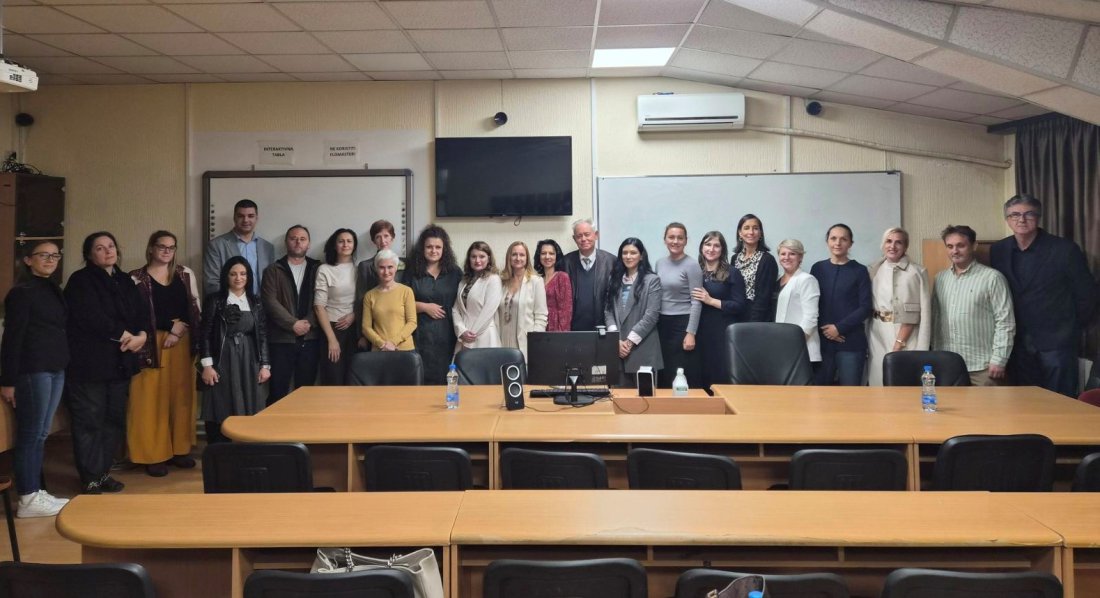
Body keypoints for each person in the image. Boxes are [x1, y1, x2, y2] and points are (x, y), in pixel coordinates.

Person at [65, 231, 150, 494]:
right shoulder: (80, 280)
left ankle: (102, 474)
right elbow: (90, 317)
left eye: (111, 246)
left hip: (120, 363)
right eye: (100, 248)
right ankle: (90, 478)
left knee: (113, 420)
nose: (108, 251)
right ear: (89, 255)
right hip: (89, 365)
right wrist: (125, 335)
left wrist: (142, 336)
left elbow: (141, 313)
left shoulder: (124, 280)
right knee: (89, 421)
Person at [991, 194, 1098, 397]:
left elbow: (1087, 294)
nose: (1021, 219)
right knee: (1025, 400)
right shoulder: (998, 250)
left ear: (1039, 217)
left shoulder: (1065, 249)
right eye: (1015, 215)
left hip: (1057, 342)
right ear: (1007, 219)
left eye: (1028, 214)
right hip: (1017, 342)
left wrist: (1071, 327)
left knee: (1060, 401)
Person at [0, 242, 70, 515]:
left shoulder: (52, 288)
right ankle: (27, 497)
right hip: (32, 369)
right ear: (28, 260)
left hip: (55, 367)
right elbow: (12, 337)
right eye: (43, 255)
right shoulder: (21, 292)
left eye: (55, 255)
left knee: (41, 433)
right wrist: (8, 380)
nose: (50, 260)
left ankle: (36, 492)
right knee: (31, 433)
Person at [128, 231, 202, 477]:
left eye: (171, 247)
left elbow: (194, 308)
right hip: (150, 342)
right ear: (151, 248)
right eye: (162, 246)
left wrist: (179, 331)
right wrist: (169, 327)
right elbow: (135, 313)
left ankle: (179, 450)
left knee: (180, 397)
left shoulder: (185, 274)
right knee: (149, 399)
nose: (167, 251)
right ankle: (152, 454)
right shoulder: (135, 278)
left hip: (181, 340)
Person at [933, 225, 1015, 386]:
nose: (955, 251)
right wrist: (936, 356)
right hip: (948, 366)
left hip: (983, 367)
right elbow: (936, 320)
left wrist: (1000, 359)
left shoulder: (992, 278)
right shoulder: (940, 279)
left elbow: (1005, 321)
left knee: (987, 404)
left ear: (974, 246)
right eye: (950, 246)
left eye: (960, 245)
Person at [199, 257, 270, 444]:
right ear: (226, 276)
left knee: (251, 403)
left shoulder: (255, 302)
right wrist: (207, 365)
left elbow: (262, 334)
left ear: (248, 276)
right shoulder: (215, 300)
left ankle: (247, 449)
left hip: (249, 359)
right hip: (222, 358)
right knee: (220, 402)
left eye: (243, 274)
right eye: (233, 274)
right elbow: (204, 334)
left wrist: (265, 365)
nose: (238, 278)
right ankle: (219, 450)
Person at [261, 225, 321, 404]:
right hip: (281, 340)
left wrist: (308, 322)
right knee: (277, 391)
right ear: (286, 242)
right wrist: (292, 324)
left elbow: (323, 301)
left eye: (302, 239)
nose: (298, 242)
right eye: (293, 238)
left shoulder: (318, 268)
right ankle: (274, 423)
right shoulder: (273, 270)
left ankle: (303, 423)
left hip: (310, 339)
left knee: (306, 393)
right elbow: (269, 301)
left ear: (309, 244)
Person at [866, 227, 931, 386]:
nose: (892, 246)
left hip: (904, 334)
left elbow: (921, 311)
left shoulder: (916, 272)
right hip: (876, 332)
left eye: (898, 242)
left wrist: (900, 343)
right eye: (889, 241)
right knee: (877, 380)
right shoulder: (873, 269)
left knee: (901, 380)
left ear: (905, 246)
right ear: (883, 244)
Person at [811, 224, 872, 386]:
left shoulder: (859, 270)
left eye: (843, 239)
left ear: (850, 243)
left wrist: (839, 328)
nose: (838, 243)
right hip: (822, 342)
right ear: (827, 241)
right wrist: (827, 330)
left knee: (850, 394)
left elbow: (865, 307)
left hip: (851, 342)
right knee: (819, 394)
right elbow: (812, 303)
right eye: (833, 238)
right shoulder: (817, 268)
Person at [405, 225, 462, 384]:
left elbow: (463, 302)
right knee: (420, 377)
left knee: (448, 378)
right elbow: (401, 303)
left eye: (438, 247)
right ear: (422, 249)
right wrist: (424, 307)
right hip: (420, 334)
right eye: (429, 247)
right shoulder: (412, 272)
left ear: (444, 249)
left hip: (448, 334)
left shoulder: (455, 272)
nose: (433, 251)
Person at [690, 231, 746, 390]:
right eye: (708, 244)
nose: (711, 249)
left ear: (722, 250)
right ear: (702, 247)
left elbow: (739, 306)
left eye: (716, 246)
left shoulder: (732, 272)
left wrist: (711, 301)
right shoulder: (695, 271)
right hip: (698, 332)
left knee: (718, 376)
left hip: (721, 332)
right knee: (698, 376)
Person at [604, 238, 662, 387]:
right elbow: (608, 311)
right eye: (625, 253)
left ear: (641, 256)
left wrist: (629, 342)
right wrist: (615, 339)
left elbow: (651, 316)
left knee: (645, 398)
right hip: (617, 350)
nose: (628, 256)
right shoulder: (614, 279)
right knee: (618, 398)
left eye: (633, 253)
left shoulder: (652, 280)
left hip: (642, 349)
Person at [656, 222, 703, 388]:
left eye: (680, 238)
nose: (675, 241)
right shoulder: (659, 263)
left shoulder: (692, 265)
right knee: (664, 371)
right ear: (665, 240)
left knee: (679, 372)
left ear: (686, 241)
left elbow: (696, 301)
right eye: (671, 237)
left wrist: (691, 333)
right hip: (662, 323)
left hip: (682, 324)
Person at [204, 199, 275, 296]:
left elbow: (271, 282)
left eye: (250, 216)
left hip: (260, 303)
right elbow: (211, 282)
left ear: (256, 218)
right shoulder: (216, 245)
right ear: (234, 218)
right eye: (241, 216)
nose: (246, 220)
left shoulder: (267, 247)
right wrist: (235, 301)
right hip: (228, 303)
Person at [314, 228, 358, 385]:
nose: (345, 244)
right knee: (334, 379)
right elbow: (319, 306)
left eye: (349, 241)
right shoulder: (325, 269)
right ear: (334, 245)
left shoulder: (360, 269)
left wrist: (354, 315)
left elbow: (366, 299)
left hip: (355, 329)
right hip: (332, 328)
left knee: (354, 379)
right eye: (341, 241)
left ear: (354, 245)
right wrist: (332, 340)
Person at [355, 219, 405, 347]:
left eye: (386, 236)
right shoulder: (365, 266)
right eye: (378, 237)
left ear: (392, 238)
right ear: (373, 241)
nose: (383, 241)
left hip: (399, 326)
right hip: (374, 327)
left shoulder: (405, 263)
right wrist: (362, 335)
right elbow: (361, 300)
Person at [774, 239, 821, 369]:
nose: (787, 257)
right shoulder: (777, 279)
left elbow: (811, 318)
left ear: (800, 257)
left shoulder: (807, 280)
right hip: (780, 344)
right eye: (783, 254)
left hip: (801, 347)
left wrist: (796, 342)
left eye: (792, 254)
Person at [498, 241, 548, 362]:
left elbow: (541, 316)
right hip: (502, 339)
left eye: (522, 255)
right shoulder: (501, 281)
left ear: (527, 258)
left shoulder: (536, 281)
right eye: (514, 254)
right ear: (509, 257)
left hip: (524, 342)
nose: (518, 258)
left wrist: (535, 341)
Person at [563, 219, 615, 331]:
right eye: (579, 236)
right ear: (574, 239)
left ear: (596, 235)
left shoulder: (611, 262)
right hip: (573, 329)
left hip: (602, 328)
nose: (583, 239)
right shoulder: (565, 262)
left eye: (587, 234)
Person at [361, 249, 417, 351]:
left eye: (390, 267)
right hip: (379, 350)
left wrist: (393, 342)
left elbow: (412, 322)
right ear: (376, 269)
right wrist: (382, 344)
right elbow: (366, 327)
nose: (386, 272)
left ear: (396, 268)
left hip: (405, 350)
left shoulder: (406, 291)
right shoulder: (369, 296)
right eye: (381, 267)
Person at [454, 241, 503, 352]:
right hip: (464, 335)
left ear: (488, 258)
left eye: (482, 256)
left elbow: (488, 312)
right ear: (469, 259)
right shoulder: (464, 281)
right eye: (473, 256)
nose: (477, 260)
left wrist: (470, 337)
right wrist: (462, 331)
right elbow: (456, 309)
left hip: (484, 336)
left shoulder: (494, 279)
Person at [732, 214, 778, 322]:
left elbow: (764, 297)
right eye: (746, 228)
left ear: (760, 233)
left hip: (757, 318)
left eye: (755, 228)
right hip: (736, 314)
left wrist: (753, 323)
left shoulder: (767, 260)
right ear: (740, 233)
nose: (751, 232)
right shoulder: (735, 259)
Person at [535, 239, 572, 332]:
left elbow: (566, 311)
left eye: (551, 253)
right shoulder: (537, 279)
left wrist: (561, 334)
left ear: (557, 256)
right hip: (539, 326)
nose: (547, 256)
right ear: (539, 256)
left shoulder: (562, 277)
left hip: (556, 329)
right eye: (543, 253)